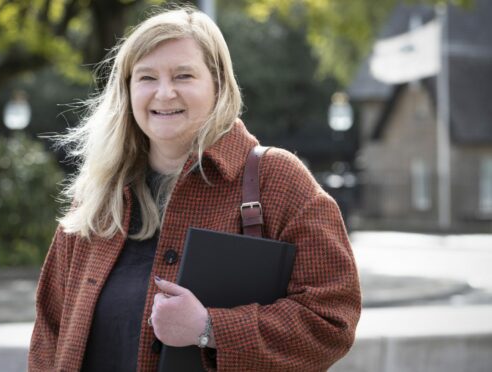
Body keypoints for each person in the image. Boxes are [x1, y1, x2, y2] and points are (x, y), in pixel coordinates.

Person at [29, 6, 361, 372]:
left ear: (218, 84)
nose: (164, 93)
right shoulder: (97, 194)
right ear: (127, 90)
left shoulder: (276, 179)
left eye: (183, 75)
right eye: (146, 77)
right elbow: (49, 332)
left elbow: (333, 320)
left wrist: (210, 329)